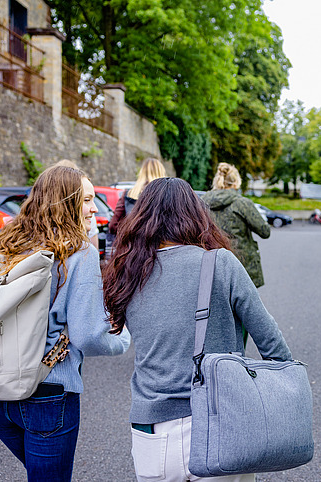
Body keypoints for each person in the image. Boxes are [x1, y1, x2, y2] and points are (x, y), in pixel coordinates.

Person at [103, 178, 293, 482]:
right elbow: (269, 339)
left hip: (151, 430)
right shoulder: (220, 263)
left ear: (140, 217)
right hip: (221, 421)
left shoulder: (126, 269)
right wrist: (285, 390)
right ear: (196, 214)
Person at [0, 165, 131, 481]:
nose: (94, 208)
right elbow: (88, 336)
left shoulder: (4, 245)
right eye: (87, 200)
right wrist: (122, 337)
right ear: (66, 201)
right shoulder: (77, 254)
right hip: (46, 393)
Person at [201, 162, 270, 288]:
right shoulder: (242, 203)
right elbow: (265, 232)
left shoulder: (201, 203)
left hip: (211, 264)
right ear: (236, 182)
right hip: (242, 264)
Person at [109, 158, 166, 235]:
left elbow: (113, 225)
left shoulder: (128, 194)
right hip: (159, 245)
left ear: (141, 173)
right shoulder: (166, 194)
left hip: (132, 244)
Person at [54, 159, 99, 249]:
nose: (95, 209)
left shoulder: (29, 241)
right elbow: (94, 245)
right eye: (86, 200)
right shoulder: (85, 252)